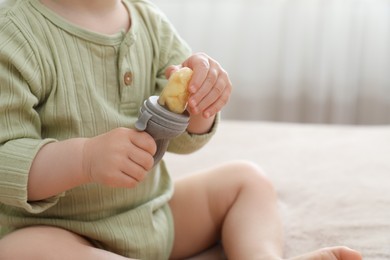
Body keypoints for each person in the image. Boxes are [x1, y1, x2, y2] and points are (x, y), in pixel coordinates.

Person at [0, 0, 362, 259]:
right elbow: (5, 159)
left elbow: (179, 136)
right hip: (61, 229)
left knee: (247, 181)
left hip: (151, 217)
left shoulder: (150, 22)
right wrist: (84, 159)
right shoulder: (13, 33)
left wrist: (200, 104)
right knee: (20, 251)